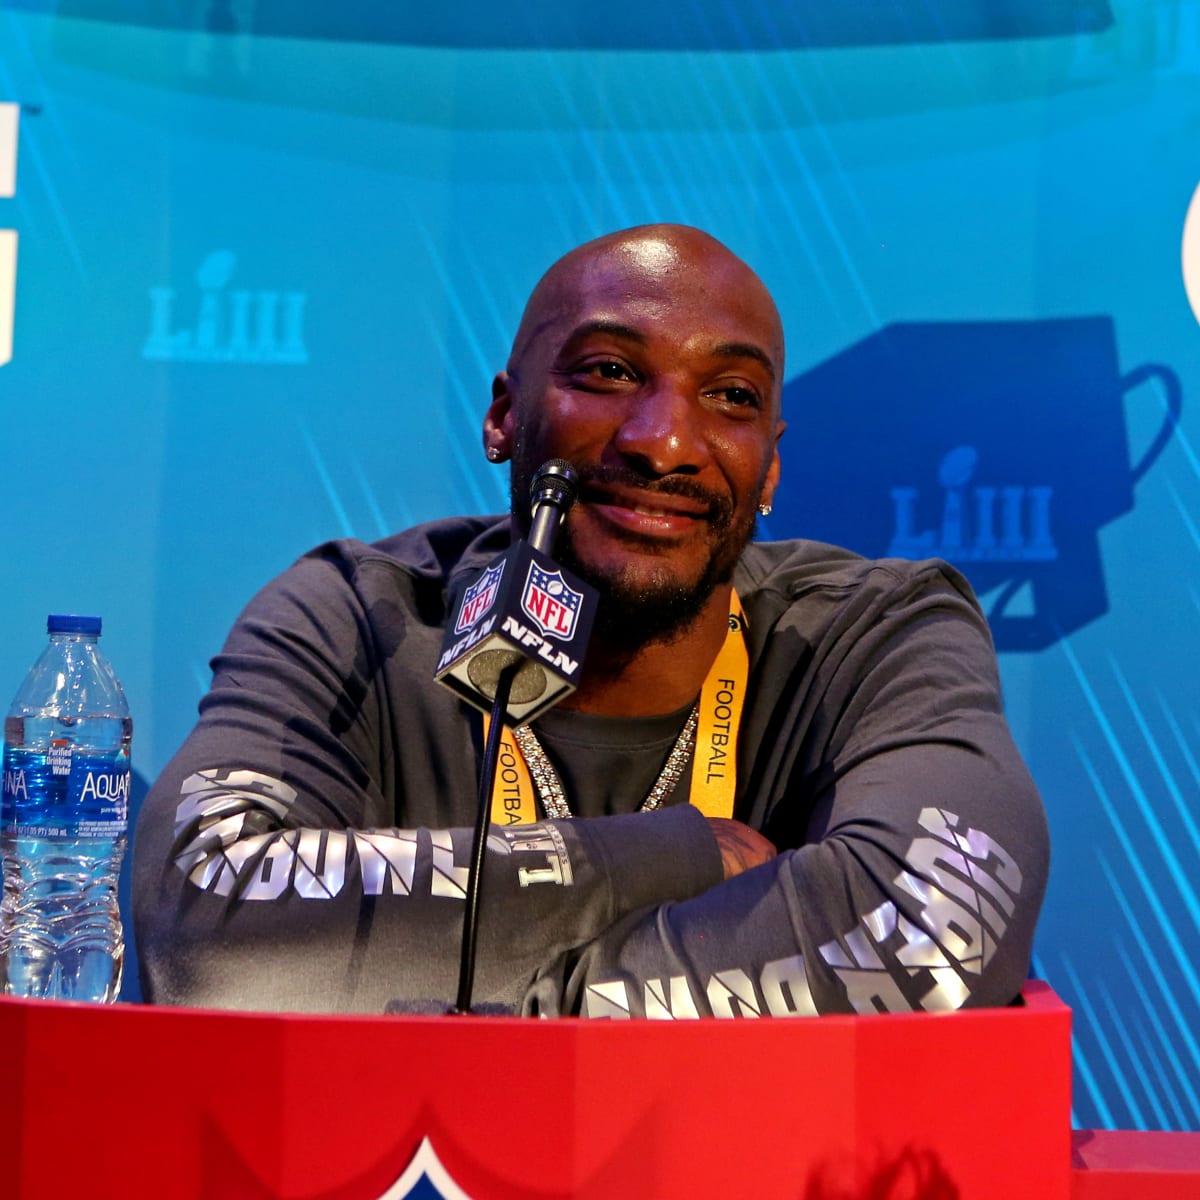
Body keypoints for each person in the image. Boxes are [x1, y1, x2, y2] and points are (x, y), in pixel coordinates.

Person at [132, 224, 1049, 1017]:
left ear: (769, 467)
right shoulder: (354, 617)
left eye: (730, 396)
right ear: (503, 415)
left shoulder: (875, 633)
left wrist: (490, 1012)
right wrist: (668, 860)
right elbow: (201, 931)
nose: (663, 442)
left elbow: (934, 925)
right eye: (608, 372)